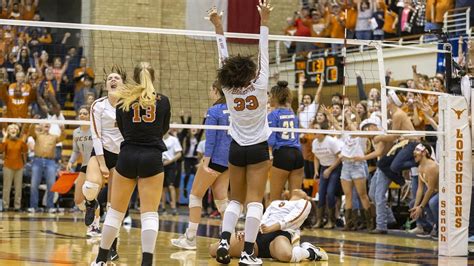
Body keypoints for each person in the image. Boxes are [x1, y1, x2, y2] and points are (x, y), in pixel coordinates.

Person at [210, 2, 273, 265]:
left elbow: (223, 57)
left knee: (234, 198)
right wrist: (265, 19)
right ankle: (247, 251)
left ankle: (225, 239)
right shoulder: (260, 85)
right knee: (255, 201)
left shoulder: (226, 89)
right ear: (249, 73)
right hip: (258, 148)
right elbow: (263, 50)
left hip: (236, 148)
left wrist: (218, 27)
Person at [92, 61, 171, 266]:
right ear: (153, 77)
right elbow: (163, 129)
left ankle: (101, 259)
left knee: (115, 212)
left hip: (127, 155)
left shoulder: (122, 101)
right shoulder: (163, 101)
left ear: (134, 78)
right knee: (149, 213)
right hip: (152, 158)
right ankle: (146, 262)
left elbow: (123, 130)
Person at [171, 81, 231, 250]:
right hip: (228, 161)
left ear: (216, 91)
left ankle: (190, 238)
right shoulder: (234, 110)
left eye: (211, 89)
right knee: (221, 200)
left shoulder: (214, 110)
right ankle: (229, 237)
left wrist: (205, 162)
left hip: (214, 160)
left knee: (195, 195)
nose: (209, 92)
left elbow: (210, 139)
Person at [209, 189, 328, 263]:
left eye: (302, 190)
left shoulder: (305, 203)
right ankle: (250, 254)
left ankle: (311, 252)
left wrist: (272, 228)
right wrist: (247, 232)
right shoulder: (275, 203)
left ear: (307, 197)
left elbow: (292, 219)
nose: (298, 189)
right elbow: (262, 219)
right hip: (259, 235)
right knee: (214, 250)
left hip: (281, 234)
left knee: (286, 255)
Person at [82, 66, 126, 261]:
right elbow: (96, 135)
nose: (113, 80)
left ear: (123, 83)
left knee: (114, 205)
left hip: (122, 156)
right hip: (102, 153)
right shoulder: (98, 105)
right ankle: (91, 202)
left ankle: (113, 246)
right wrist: (101, 163)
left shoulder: (128, 105)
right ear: (107, 84)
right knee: (90, 187)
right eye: (110, 78)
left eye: (117, 78)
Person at [355, 118, 394, 234]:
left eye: (368, 127)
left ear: (374, 126)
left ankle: (381, 225)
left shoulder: (380, 136)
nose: (367, 130)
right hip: (380, 167)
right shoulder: (373, 138)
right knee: (372, 194)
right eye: (365, 129)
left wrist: (362, 158)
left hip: (387, 166)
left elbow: (379, 152)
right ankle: (390, 218)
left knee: (379, 195)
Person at [66, 106, 100, 237]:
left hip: (96, 165)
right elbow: (75, 151)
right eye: (80, 113)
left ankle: (95, 226)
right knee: (78, 199)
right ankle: (91, 213)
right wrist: (70, 161)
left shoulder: (95, 129)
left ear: (90, 115)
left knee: (92, 196)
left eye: (85, 113)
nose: (82, 115)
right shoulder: (76, 132)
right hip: (84, 165)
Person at [268, 81, 303, 202]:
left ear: (274, 97)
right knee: (295, 198)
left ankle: (273, 221)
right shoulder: (293, 114)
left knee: (275, 199)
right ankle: (295, 221)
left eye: (269, 96)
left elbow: (271, 140)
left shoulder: (273, 115)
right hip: (297, 155)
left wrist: (269, 153)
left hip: (283, 155)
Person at [27, 122, 65, 213]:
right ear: (41, 126)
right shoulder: (37, 135)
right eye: (44, 123)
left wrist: (62, 129)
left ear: (50, 126)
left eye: (48, 123)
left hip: (50, 162)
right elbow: (31, 132)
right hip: (37, 161)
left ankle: (50, 206)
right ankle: (33, 206)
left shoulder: (54, 136)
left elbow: (62, 137)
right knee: (34, 184)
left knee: (51, 185)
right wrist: (32, 123)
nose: (46, 124)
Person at [312, 122, 342, 229]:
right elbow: (315, 157)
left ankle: (331, 221)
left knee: (330, 193)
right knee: (321, 194)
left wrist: (330, 169)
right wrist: (316, 170)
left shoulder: (331, 141)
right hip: (324, 168)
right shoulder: (315, 142)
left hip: (334, 168)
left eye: (316, 128)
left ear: (323, 131)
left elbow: (340, 157)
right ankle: (319, 220)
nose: (314, 131)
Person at [409, 143, 439, 239]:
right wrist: (416, 206)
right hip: (434, 192)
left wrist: (421, 207)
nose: (414, 153)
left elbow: (430, 189)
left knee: (433, 202)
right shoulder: (420, 167)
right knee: (413, 203)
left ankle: (439, 227)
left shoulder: (432, 167)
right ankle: (428, 227)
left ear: (424, 153)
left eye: (416, 150)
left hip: (443, 191)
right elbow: (420, 188)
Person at [0, 124, 27, 211]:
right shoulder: (6, 141)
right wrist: (4, 137)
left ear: (17, 131)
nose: (13, 129)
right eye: (11, 128)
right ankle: (5, 206)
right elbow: (1, 150)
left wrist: (23, 140)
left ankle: (17, 206)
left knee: (18, 188)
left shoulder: (20, 141)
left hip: (19, 167)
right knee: (6, 187)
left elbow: (25, 150)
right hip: (8, 166)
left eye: (15, 128)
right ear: (8, 131)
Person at [161, 131, 183, 215]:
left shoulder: (174, 140)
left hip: (171, 166)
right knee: (163, 188)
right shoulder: (158, 139)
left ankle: (173, 207)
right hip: (161, 165)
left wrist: (170, 161)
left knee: (171, 186)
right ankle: (162, 207)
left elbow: (179, 154)